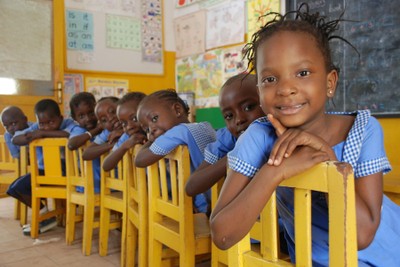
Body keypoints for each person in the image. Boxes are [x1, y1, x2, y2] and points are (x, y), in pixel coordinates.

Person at [210, 4, 400, 266]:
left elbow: (363, 235)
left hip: (390, 253)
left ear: (330, 82)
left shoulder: (363, 129)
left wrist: (326, 160)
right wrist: (275, 170)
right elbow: (222, 235)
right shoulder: (258, 137)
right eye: (269, 79)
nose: (286, 89)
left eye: (302, 73)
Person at [135, 89, 216, 214]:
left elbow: (139, 160)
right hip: (219, 195)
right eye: (146, 129)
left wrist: (150, 141)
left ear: (177, 110)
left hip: (209, 205)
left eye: (155, 118)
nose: (151, 130)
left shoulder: (179, 132)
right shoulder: (205, 126)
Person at [185, 73, 264, 197]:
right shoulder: (229, 138)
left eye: (248, 107)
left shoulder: (283, 132)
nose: (239, 120)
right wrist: (237, 155)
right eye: (229, 116)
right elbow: (192, 186)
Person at [10, 99, 78, 235]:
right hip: (43, 172)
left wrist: (42, 134)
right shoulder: (36, 127)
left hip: (68, 171)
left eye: (51, 122)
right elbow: (15, 139)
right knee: (15, 188)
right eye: (42, 124)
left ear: (60, 118)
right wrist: (32, 134)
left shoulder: (68, 124)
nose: (47, 127)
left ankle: (48, 218)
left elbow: (71, 135)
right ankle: (45, 215)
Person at [102, 92, 147, 172]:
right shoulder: (127, 137)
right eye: (124, 123)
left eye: (134, 119)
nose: (129, 127)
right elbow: (106, 165)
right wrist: (125, 146)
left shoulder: (158, 132)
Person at [67, 92, 103, 193]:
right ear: (75, 118)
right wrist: (95, 131)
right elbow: (71, 144)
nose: (88, 119)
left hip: (104, 180)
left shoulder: (104, 126)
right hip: (88, 184)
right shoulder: (79, 130)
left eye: (91, 113)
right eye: (81, 116)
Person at [82, 96, 124, 161]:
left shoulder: (135, 127)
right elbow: (86, 154)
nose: (110, 119)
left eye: (113, 112)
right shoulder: (107, 133)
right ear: (102, 126)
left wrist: (123, 132)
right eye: (104, 120)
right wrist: (114, 144)